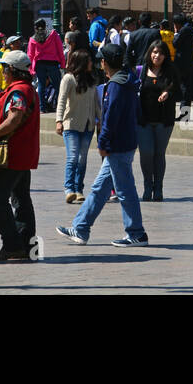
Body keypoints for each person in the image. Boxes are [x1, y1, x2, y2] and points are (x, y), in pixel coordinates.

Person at [56, 42, 148, 247]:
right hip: (125, 142)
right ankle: (80, 228)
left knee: (125, 190)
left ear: (106, 62)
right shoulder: (128, 80)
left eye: (102, 60)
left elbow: (110, 117)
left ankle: (136, 232)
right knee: (100, 188)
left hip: (117, 145)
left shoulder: (116, 85)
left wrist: (103, 142)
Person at [0, 50, 41, 263]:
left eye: (4, 68)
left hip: (14, 154)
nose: (1, 72)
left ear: (12, 70)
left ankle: (13, 245)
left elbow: (14, 118)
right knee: (21, 198)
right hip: (22, 153)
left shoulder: (19, 92)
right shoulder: (25, 89)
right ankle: (27, 245)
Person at [137, 39, 180, 201]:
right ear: (150, 53)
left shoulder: (170, 70)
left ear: (165, 56)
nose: (157, 55)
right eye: (154, 52)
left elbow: (177, 90)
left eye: (161, 53)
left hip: (164, 119)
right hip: (144, 119)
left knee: (159, 154)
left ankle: (158, 187)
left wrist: (168, 93)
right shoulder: (142, 70)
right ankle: (148, 185)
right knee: (146, 153)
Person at [56, 48, 101, 203]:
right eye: (88, 60)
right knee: (73, 157)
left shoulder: (92, 80)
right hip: (71, 124)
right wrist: (58, 120)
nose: (91, 63)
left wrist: (100, 120)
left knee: (82, 159)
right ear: (81, 62)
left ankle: (79, 189)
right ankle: (69, 189)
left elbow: (96, 103)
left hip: (88, 125)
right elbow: (61, 100)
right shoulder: (68, 79)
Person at [27, 19, 66, 113]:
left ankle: (42, 108)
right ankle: (60, 106)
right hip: (52, 63)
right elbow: (60, 49)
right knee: (58, 85)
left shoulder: (32, 38)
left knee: (41, 85)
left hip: (39, 63)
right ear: (45, 26)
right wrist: (63, 63)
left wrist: (30, 69)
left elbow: (30, 55)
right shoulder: (53, 34)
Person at [172, 15, 193, 114]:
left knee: (180, 86)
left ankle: (181, 112)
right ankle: (185, 113)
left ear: (177, 24)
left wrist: (176, 33)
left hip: (180, 62)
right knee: (187, 87)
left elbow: (175, 43)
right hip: (190, 61)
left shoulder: (183, 31)